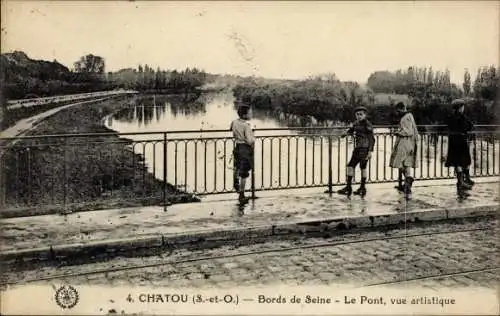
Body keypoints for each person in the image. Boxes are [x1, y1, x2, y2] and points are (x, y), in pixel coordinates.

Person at [336, 106, 375, 197]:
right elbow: (351, 130)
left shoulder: (367, 124)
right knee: (350, 166)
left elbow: (372, 139)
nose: (359, 116)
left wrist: (370, 152)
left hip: (365, 149)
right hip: (357, 148)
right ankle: (349, 187)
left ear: (365, 115)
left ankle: (362, 187)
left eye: (361, 114)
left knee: (363, 167)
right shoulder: (356, 123)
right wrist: (345, 134)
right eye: (357, 114)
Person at [389, 102, 419, 199]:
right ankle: (407, 184)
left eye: (398, 110)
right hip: (410, 143)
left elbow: (408, 131)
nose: (397, 113)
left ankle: (408, 179)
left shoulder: (405, 118)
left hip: (404, 142)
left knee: (399, 162)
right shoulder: (410, 116)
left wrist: (398, 132)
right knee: (406, 163)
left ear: (402, 109)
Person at [445, 99, 474, 197]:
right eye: (463, 107)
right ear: (460, 108)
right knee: (465, 160)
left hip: (453, 141)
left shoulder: (450, 117)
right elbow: (470, 126)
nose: (463, 108)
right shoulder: (463, 117)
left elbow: (448, 126)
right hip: (461, 140)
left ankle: (460, 181)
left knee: (457, 161)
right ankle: (464, 181)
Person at [230, 105, 255, 203]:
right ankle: (242, 195)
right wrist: (253, 138)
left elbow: (230, 128)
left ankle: (235, 183)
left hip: (237, 147)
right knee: (244, 173)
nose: (251, 115)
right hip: (245, 149)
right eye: (250, 113)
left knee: (237, 167)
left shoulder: (234, 122)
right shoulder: (246, 126)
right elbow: (249, 140)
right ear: (245, 115)